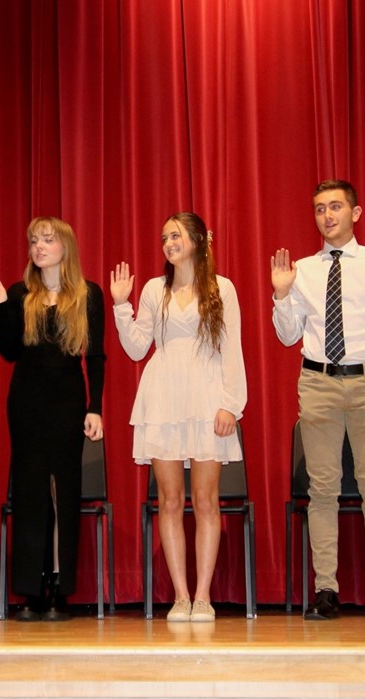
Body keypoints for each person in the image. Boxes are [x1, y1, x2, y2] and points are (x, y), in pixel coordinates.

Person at [271, 180, 365, 621]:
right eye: (318, 209)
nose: (326, 215)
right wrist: (281, 293)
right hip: (318, 383)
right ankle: (325, 590)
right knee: (323, 490)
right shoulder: (303, 270)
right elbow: (288, 334)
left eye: (335, 207)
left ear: (356, 212)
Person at [111, 212, 246, 623]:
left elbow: (233, 349)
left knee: (206, 500)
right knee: (169, 501)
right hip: (164, 398)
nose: (169, 242)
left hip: (207, 396)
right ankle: (181, 597)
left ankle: (204, 596)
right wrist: (121, 306)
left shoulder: (222, 288)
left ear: (198, 240)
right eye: (164, 236)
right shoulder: (155, 289)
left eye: (176, 235)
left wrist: (231, 404)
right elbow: (137, 348)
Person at [0, 217, 105, 621]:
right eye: (34, 240)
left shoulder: (88, 294)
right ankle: (31, 589)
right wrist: (0, 309)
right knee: (31, 491)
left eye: (47, 240)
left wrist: (96, 406)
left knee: (62, 492)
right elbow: (10, 350)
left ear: (65, 247)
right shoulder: (19, 293)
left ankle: (59, 586)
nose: (39, 247)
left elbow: (96, 356)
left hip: (69, 400)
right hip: (27, 402)